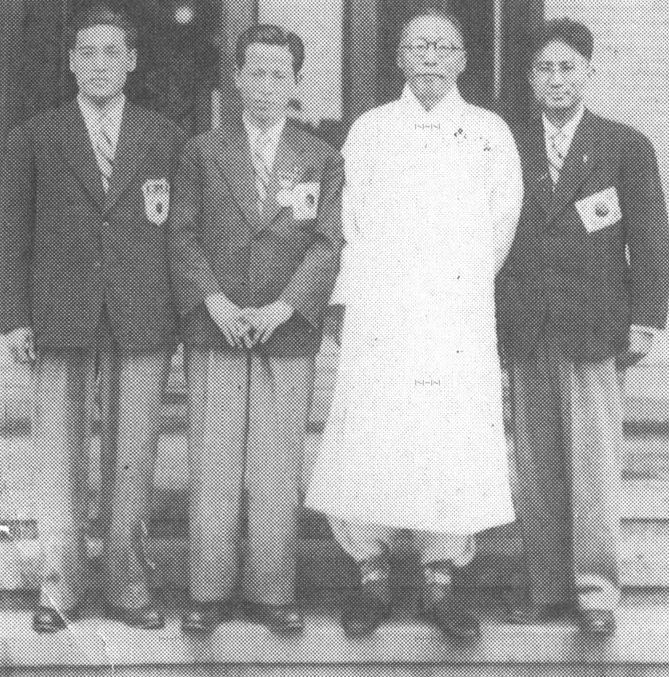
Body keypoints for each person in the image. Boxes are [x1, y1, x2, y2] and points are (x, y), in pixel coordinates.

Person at [305, 7, 522, 639]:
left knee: (448, 435)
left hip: (455, 313)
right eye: (416, 46)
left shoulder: (488, 132)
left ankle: (440, 580)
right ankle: (370, 574)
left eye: (443, 46)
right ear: (398, 58)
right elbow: (347, 220)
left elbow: (501, 217)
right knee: (374, 428)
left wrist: (458, 287)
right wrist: (353, 300)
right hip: (383, 311)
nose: (429, 56)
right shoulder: (372, 130)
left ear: (461, 59)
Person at [0, 5, 185, 632]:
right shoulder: (34, 135)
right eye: (89, 52)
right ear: (71, 60)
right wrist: (14, 318)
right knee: (58, 454)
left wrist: (181, 317)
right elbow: (11, 235)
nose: (100, 64)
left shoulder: (164, 136)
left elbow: (179, 235)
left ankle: (128, 582)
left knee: (133, 454)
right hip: (58, 313)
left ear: (131, 61)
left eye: (113, 52)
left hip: (141, 314)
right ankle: (60, 585)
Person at [168, 24, 344, 634]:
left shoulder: (320, 157)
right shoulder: (201, 150)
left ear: (295, 83)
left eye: (279, 74)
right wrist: (214, 301)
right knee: (214, 461)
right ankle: (208, 591)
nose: (266, 86)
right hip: (217, 327)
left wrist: (284, 307)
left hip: (284, 332)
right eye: (256, 72)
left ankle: (273, 590)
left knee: (276, 465)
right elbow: (182, 234)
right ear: (237, 78)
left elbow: (326, 242)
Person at [496, 18, 669, 635]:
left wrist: (648, 320)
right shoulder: (505, 143)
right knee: (538, 464)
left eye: (569, 67)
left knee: (593, 463)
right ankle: (546, 588)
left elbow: (650, 239)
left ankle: (595, 592)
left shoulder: (624, 145)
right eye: (545, 68)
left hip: (595, 328)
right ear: (530, 77)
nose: (557, 79)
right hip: (526, 325)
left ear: (588, 73)